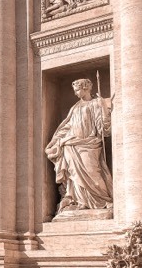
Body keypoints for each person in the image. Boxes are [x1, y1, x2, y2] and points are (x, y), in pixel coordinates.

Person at [45, 78, 113, 215]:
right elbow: (66, 127)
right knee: (74, 174)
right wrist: (54, 142)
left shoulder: (96, 103)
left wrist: (104, 109)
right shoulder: (75, 107)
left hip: (90, 144)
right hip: (71, 145)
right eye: (75, 90)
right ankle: (80, 201)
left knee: (93, 171)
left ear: (86, 88)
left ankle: (103, 199)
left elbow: (103, 128)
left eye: (77, 90)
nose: (76, 93)